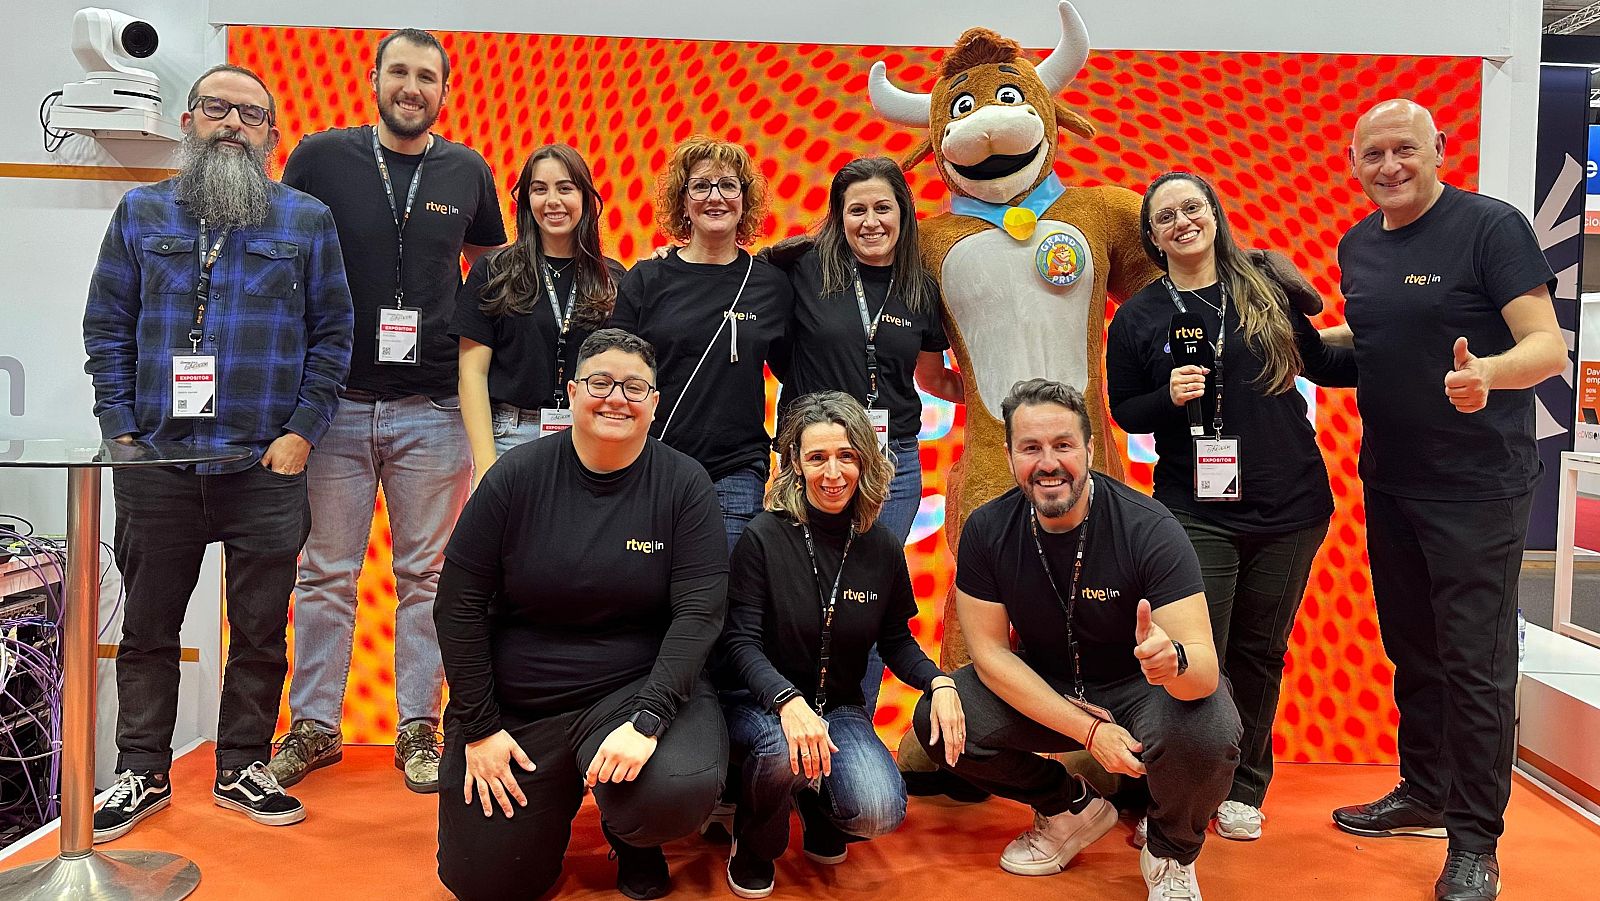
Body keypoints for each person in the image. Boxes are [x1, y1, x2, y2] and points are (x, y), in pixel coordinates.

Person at [83, 64, 353, 841]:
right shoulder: (141, 212)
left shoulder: (306, 220)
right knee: (148, 628)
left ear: (271, 134)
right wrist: (121, 432)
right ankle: (141, 771)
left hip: (264, 464)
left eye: (250, 114)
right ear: (188, 121)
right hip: (157, 464)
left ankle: (242, 765)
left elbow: (334, 335)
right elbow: (107, 325)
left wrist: (301, 432)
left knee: (261, 630)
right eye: (216, 108)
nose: (232, 123)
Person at [1319, 99, 1564, 901]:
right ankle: (1424, 790)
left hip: (1478, 486)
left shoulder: (1490, 228)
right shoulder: (1359, 243)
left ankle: (1475, 840)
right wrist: (1290, 338)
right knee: (1414, 648)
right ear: (1354, 162)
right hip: (1392, 479)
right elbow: (1370, 344)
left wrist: (1487, 373)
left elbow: (1546, 347)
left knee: (1475, 664)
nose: (1389, 166)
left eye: (1405, 149)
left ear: (1438, 149)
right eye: (1373, 153)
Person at [270, 28, 507, 795]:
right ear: (373, 79)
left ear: (445, 90)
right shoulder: (319, 157)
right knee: (324, 573)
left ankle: (419, 728)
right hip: (333, 404)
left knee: (428, 578)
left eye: (426, 76)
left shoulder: (467, 169)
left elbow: (489, 270)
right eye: (399, 71)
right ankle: (313, 725)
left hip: (435, 408)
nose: (412, 86)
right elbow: (285, 249)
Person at [910, 379, 1241, 901]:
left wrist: (1172, 661)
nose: (1048, 463)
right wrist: (1089, 734)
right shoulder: (987, 529)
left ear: (1089, 449)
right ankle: (1069, 807)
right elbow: (991, 656)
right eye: (1030, 448)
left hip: (1142, 687)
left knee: (1210, 727)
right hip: (1050, 681)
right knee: (939, 718)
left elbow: (1202, 672)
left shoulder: (1150, 527)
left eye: (1063, 445)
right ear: (1009, 456)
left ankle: (1170, 851)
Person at [434, 328, 729, 901]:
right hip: (523, 703)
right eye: (600, 383)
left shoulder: (684, 484)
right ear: (571, 392)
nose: (616, 398)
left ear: (654, 402)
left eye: (635, 387)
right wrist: (481, 727)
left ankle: (632, 834)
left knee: (672, 792)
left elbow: (699, 614)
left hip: (634, 689)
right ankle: (553, 798)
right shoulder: (513, 478)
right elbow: (457, 607)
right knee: (485, 882)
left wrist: (649, 720)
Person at [1105, 171, 1356, 840]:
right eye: (1165, 217)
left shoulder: (1263, 287)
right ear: (1152, 237)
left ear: (1214, 214)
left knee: (1260, 652)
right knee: (1190, 655)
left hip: (1292, 504)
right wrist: (1169, 398)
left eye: (1192, 207)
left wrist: (1404, 340)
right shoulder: (1138, 316)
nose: (1182, 222)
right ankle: (1174, 793)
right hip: (1195, 509)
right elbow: (1126, 410)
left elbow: (1322, 363)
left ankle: (1244, 786)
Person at [717, 391, 964, 899]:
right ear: (795, 464)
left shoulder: (882, 546)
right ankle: (756, 841)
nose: (833, 473)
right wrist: (786, 701)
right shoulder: (764, 536)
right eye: (817, 457)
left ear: (865, 461)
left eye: (846, 456)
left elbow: (896, 642)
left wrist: (939, 682)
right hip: (759, 705)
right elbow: (739, 642)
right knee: (782, 747)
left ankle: (817, 802)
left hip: (838, 707)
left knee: (878, 811)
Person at [610, 137, 793, 551]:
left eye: (728, 185)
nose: (716, 197)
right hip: (652, 464)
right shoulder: (647, 279)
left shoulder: (770, 285)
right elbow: (615, 374)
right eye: (701, 186)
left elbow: (796, 374)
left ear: (745, 200)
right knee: (648, 584)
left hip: (736, 471)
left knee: (724, 584)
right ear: (683, 200)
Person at [454, 143, 625, 483]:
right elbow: (471, 374)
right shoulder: (494, 270)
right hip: (509, 437)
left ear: (585, 198)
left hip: (590, 439)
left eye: (565, 188)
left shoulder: (613, 279)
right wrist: (486, 464)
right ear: (526, 200)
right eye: (540, 189)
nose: (553, 201)